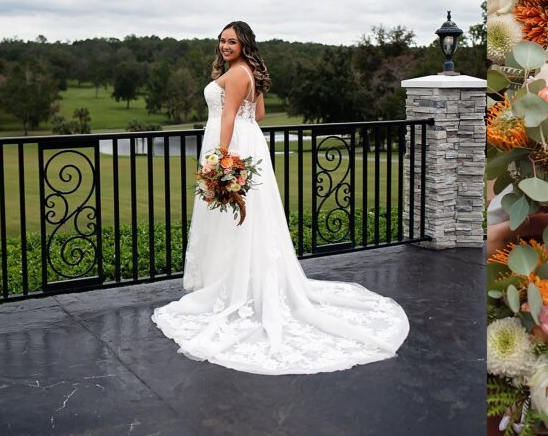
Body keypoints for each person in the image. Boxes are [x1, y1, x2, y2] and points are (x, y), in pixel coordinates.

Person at [152, 20, 409, 375]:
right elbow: (257, 114)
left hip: (231, 144)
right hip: (246, 139)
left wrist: (220, 158)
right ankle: (229, 280)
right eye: (222, 40)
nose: (225, 46)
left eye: (232, 41)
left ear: (244, 44)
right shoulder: (245, 70)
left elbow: (229, 115)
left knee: (236, 218)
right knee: (239, 219)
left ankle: (236, 286)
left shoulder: (239, 73)